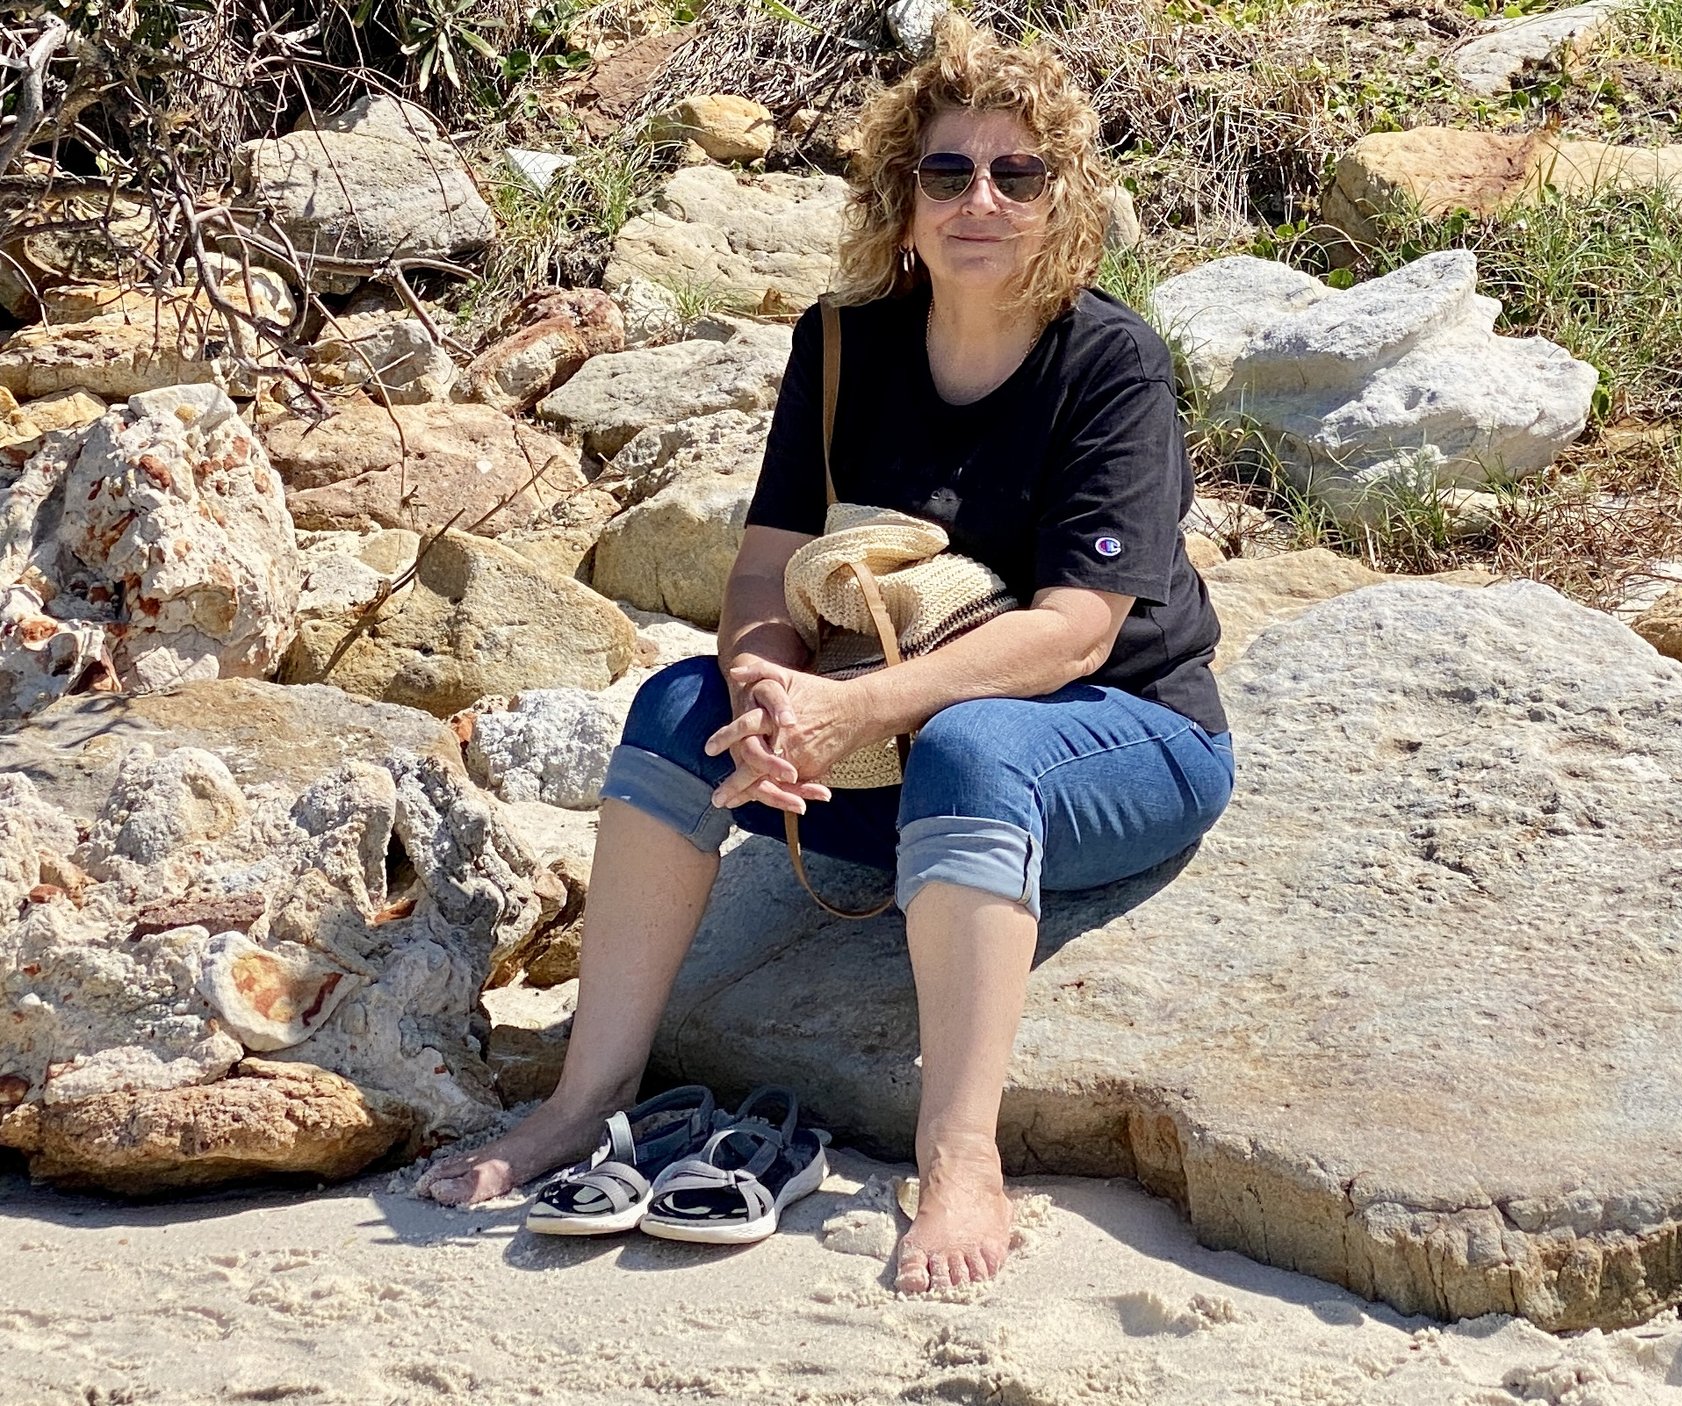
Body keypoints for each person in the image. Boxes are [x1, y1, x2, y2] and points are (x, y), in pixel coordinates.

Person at [417, 16, 1233, 1294]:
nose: (981, 200)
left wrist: (857, 713)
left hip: (1126, 739)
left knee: (969, 742)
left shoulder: (1108, 361)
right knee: (675, 703)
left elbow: (1078, 629)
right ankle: (587, 1095)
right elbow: (761, 573)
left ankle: (959, 1152)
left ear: (1060, 197)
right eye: (948, 171)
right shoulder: (844, 344)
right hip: (884, 732)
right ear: (901, 196)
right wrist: (766, 691)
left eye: (1017, 175)